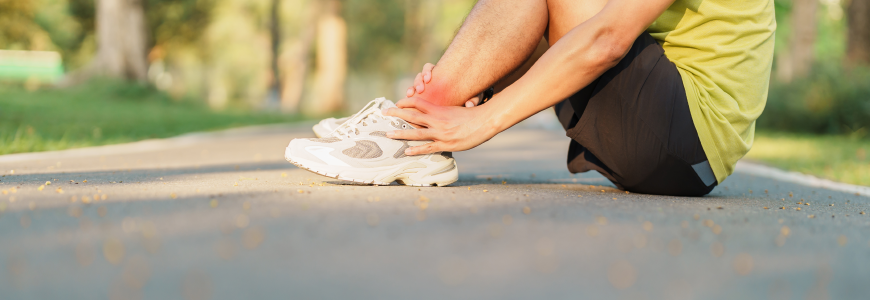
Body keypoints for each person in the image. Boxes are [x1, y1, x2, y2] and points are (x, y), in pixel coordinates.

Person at [286, 0, 776, 196]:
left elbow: (606, 39)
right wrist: (468, 79)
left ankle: (408, 127)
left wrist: (484, 120)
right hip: (680, 147)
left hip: (684, 136)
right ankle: (418, 127)